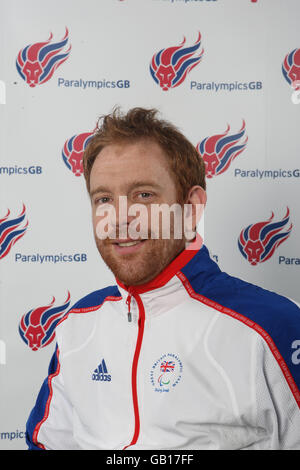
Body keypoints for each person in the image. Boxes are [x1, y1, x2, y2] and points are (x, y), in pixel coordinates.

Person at [26, 107, 300, 450]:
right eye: (104, 199)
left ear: (191, 207)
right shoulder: (78, 324)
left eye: (143, 195)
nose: (120, 218)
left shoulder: (272, 324)